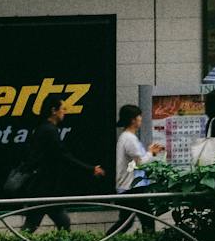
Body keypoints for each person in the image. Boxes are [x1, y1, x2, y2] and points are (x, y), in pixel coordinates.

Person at [20, 96, 105, 233]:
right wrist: (90, 169)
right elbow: (63, 156)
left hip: (44, 189)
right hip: (44, 189)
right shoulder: (49, 131)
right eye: (63, 109)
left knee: (49, 222)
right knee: (53, 223)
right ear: (54, 111)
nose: (64, 112)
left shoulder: (43, 129)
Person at [111, 104, 165, 232]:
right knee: (146, 220)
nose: (141, 118)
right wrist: (151, 153)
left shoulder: (127, 137)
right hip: (132, 187)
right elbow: (140, 163)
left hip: (129, 186)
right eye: (139, 116)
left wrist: (151, 153)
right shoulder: (129, 139)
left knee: (126, 221)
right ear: (133, 120)